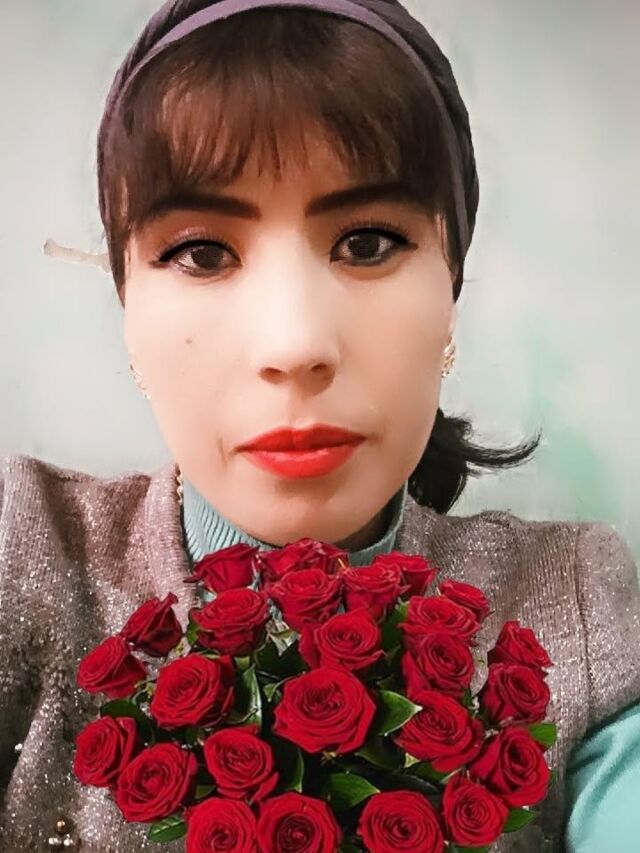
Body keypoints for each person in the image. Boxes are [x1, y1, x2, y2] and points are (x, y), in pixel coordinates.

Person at [1, 1, 638, 851]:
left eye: (367, 243)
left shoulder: (575, 606)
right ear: (126, 306)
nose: (295, 345)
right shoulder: (24, 548)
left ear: (451, 289)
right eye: (202, 252)